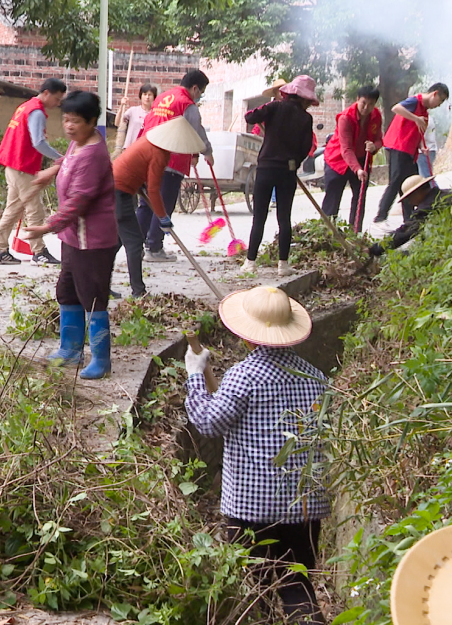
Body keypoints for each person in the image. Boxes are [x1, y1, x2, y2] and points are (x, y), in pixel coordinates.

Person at [185, 285, 329, 625]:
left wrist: (194, 375)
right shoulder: (316, 378)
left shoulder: (244, 376)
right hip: (304, 507)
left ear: (247, 337)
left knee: (255, 593)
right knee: (297, 587)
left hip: (252, 509)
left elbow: (208, 423)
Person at [22, 91, 115, 379]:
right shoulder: (79, 143)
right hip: (73, 237)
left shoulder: (94, 154)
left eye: (75, 121)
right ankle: (71, 349)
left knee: (93, 297)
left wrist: (47, 227)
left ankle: (101, 359)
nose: (69, 127)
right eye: (66, 120)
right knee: (67, 291)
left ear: (92, 122)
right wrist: (51, 171)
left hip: (93, 241)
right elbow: (68, 161)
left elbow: (79, 201)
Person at [110, 117, 206, 298]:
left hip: (118, 189)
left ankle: (101, 284)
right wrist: (162, 217)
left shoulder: (148, 142)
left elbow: (142, 174)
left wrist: (142, 185)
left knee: (117, 242)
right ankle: (138, 292)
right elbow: (154, 190)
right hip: (117, 191)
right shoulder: (159, 153)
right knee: (135, 243)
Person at [241, 75, 319, 277]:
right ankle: (283, 265)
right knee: (284, 218)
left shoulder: (274, 107)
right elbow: (305, 147)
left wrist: (265, 111)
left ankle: (250, 262)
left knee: (259, 217)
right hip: (287, 171)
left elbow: (249, 117)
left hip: (266, 168)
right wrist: (294, 161)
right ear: (304, 98)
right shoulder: (306, 118)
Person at [136, 70, 214, 262]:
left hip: (147, 153)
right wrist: (207, 151)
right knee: (163, 204)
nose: (199, 96)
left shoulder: (163, 97)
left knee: (147, 204)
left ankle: (135, 246)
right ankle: (154, 248)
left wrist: (194, 154)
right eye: (201, 92)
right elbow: (196, 131)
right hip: (170, 159)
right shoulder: (187, 105)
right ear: (195, 88)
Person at [0, 78, 67, 266]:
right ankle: (38, 252)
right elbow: (38, 142)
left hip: (13, 164)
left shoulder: (25, 106)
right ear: (47, 93)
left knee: (13, 209)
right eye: (57, 99)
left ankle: (0, 250)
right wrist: (61, 158)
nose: (58, 103)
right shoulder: (36, 111)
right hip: (22, 166)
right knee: (35, 209)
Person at [373, 83, 449, 231]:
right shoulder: (415, 101)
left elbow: (416, 131)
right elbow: (396, 108)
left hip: (410, 151)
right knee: (396, 182)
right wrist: (415, 118)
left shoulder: (424, 112)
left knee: (411, 187)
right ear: (434, 94)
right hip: (399, 146)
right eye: (440, 101)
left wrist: (421, 146)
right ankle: (380, 217)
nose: (438, 105)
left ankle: (409, 221)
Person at [320, 86, 382, 229]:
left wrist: (374, 146)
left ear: (375, 104)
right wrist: (357, 169)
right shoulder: (346, 118)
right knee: (332, 199)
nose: (366, 108)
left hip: (361, 159)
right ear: (357, 99)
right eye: (363, 103)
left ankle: (355, 233)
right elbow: (346, 149)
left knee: (360, 198)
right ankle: (327, 232)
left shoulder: (376, 115)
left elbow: (379, 139)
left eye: (371, 104)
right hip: (337, 160)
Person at [369, 175, 450, 257]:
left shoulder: (426, 209)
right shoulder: (446, 194)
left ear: (417, 193)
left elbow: (405, 233)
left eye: (409, 198)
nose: (410, 202)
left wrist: (375, 248)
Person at [112, 83, 157, 157]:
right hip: (130, 149)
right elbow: (117, 123)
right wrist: (122, 106)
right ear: (141, 96)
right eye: (145, 94)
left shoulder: (155, 114)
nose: (147, 97)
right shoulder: (133, 111)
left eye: (150, 95)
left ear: (154, 97)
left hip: (145, 152)